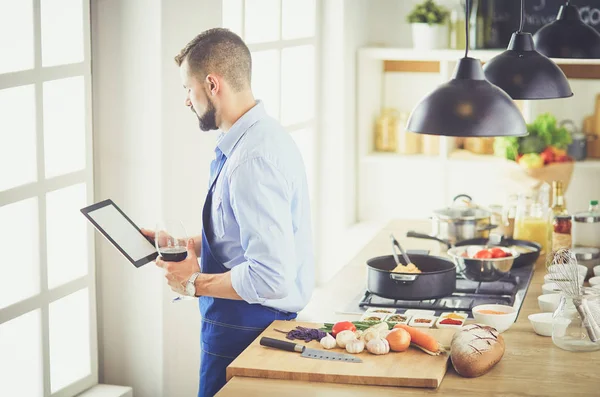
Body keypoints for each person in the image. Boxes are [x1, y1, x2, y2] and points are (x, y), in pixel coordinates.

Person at [142, 28, 314, 397]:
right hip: (243, 324)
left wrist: (192, 283)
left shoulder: (252, 160)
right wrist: (188, 244)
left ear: (212, 84)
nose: (188, 101)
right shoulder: (259, 138)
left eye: (188, 89)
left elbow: (270, 277)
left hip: (248, 329)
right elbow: (246, 237)